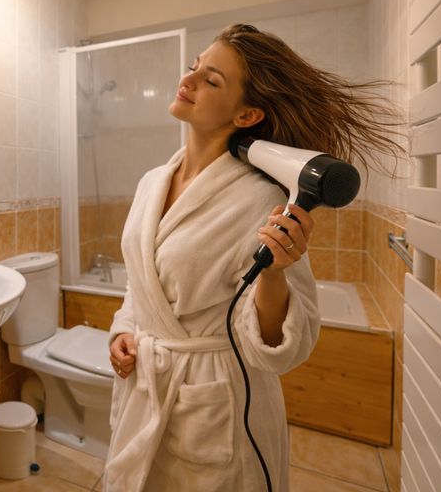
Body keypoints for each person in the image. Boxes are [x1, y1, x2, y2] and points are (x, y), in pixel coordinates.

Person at [104, 24, 406, 491]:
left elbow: (282, 348)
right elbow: (140, 282)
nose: (188, 80)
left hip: (214, 405)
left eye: (211, 79)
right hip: (146, 381)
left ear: (246, 114)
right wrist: (125, 329)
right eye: (193, 67)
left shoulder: (263, 199)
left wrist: (275, 273)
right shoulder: (151, 182)